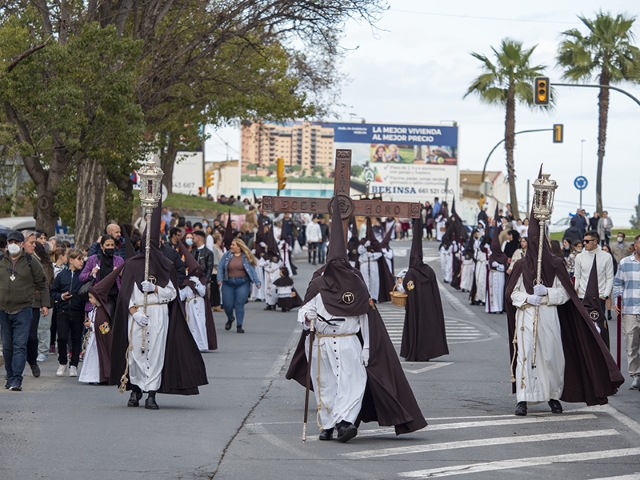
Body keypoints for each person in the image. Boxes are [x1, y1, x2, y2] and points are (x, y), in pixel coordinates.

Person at [286, 199, 427, 442]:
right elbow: (303, 311)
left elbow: (366, 318)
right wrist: (306, 317)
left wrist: (368, 348)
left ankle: (345, 423)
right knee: (326, 386)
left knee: (354, 382)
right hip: (321, 342)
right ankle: (328, 424)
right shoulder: (318, 284)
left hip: (348, 341)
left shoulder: (356, 283)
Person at [506, 199, 623, 417]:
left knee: (551, 356)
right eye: (530, 240)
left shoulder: (555, 264)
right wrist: (528, 298)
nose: (532, 243)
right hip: (526, 316)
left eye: (536, 239)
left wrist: (547, 294)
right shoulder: (521, 266)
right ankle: (523, 399)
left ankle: (552, 397)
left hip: (549, 315)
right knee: (526, 357)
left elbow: (565, 294)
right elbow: (512, 293)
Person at [110, 201, 208, 409]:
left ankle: (151, 393)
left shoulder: (166, 265)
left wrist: (154, 289)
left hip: (158, 312)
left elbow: (172, 293)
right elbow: (125, 295)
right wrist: (134, 313)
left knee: (155, 352)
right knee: (136, 351)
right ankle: (135, 390)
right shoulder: (132, 265)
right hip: (137, 314)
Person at [0, 231, 48, 391]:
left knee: (19, 345)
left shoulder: (30, 261)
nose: (13, 244)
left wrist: (29, 294)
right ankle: (9, 375)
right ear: (7, 243)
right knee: (7, 346)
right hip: (3, 310)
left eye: (16, 241)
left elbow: (42, 282)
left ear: (21, 244)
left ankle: (16, 380)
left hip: (23, 310)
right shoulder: (1, 260)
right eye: (10, 241)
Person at [401, 217, 449, 361]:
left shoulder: (410, 273)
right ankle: (427, 352)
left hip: (415, 309)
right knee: (427, 328)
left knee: (416, 328)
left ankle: (415, 352)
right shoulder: (429, 271)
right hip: (429, 309)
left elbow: (407, 288)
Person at [50, 249, 87, 377]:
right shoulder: (61, 275)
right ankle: (62, 362)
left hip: (78, 311)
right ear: (71, 260)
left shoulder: (83, 276)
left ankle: (74, 365)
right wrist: (61, 296)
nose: (81, 262)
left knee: (76, 338)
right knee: (62, 337)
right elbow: (53, 291)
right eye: (79, 259)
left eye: (82, 259)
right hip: (63, 310)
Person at [574, 231, 614, 348]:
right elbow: (577, 277)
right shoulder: (579, 257)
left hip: (599, 298)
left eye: (587, 241)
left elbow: (609, 277)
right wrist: (573, 293)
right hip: (583, 298)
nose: (584, 243)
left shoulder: (606, 257)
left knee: (600, 330)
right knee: (584, 330)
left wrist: (605, 295)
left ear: (595, 241)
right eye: (583, 241)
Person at [178, 240, 217, 352]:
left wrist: (198, 284)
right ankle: (193, 346)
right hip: (190, 305)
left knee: (201, 324)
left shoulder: (200, 281)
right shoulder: (186, 282)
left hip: (199, 304)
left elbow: (203, 293)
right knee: (192, 326)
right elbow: (181, 296)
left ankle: (203, 345)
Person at [217, 238, 261, 333]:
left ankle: (239, 325)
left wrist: (257, 282)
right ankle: (230, 318)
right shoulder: (227, 255)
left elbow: (252, 271)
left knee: (239, 304)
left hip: (242, 283)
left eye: (233, 245)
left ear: (239, 247)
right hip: (228, 283)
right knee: (227, 304)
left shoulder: (246, 257)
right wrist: (219, 279)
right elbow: (220, 267)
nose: (231, 247)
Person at [613, 234, 640, 389]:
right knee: (632, 344)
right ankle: (635, 375)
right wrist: (618, 299)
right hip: (630, 310)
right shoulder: (625, 263)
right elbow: (618, 283)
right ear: (635, 246)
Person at [80, 235, 125, 318]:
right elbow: (81, 277)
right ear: (101, 246)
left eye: (112, 245)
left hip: (113, 297)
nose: (110, 247)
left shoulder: (119, 260)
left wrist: (120, 273)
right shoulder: (93, 259)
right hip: (97, 297)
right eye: (107, 245)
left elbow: (126, 278)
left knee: (109, 325)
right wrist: (91, 274)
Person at [28, 238, 53, 375]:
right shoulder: (8, 260)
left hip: (33, 303)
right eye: (31, 242)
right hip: (12, 304)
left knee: (32, 336)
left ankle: (32, 361)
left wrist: (44, 304)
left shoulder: (35, 261)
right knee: (15, 339)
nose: (34, 245)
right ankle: (13, 369)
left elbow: (43, 283)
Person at [358, 219, 383, 301]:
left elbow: (380, 253)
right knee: (364, 279)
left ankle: (374, 297)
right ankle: (364, 296)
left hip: (373, 263)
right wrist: (365, 246)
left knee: (374, 280)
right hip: (364, 263)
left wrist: (372, 255)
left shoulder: (375, 242)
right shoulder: (363, 241)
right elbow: (359, 251)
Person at [210, 233, 224, 312]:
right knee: (214, 289)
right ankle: (215, 304)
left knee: (216, 289)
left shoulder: (218, 248)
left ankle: (216, 304)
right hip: (215, 272)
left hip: (217, 271)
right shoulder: (214, 249)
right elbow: (215, 261)